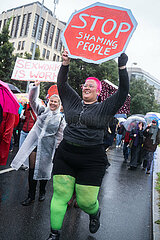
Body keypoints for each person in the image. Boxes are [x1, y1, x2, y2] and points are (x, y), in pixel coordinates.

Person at [46, 50, 129, 240]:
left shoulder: (105, 107)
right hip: (66, 153)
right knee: (60, 194)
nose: (86, 87)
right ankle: (54, 233)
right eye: (85, 85)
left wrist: (122, 67)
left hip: (91, 159)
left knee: (85, 201)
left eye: (91, 86)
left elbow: (123, 92)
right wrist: (65, 64)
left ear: (98, 92)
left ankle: (94, 213)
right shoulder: (73, 100)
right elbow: (62, 84)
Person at [11, 81, 66, 206]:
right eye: (51, 101)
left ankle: (42, 191)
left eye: (55, 102)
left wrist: (57, 150)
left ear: (59, 104)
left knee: (44, 169)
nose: (52, 103)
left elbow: (60, 136)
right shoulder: (41, 111)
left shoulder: (60, 119)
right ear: (48, 102)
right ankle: (31, 196)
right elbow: (32, 100)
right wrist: (35, 87)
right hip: (35, 144)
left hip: (49, 147)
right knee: (32, 168)